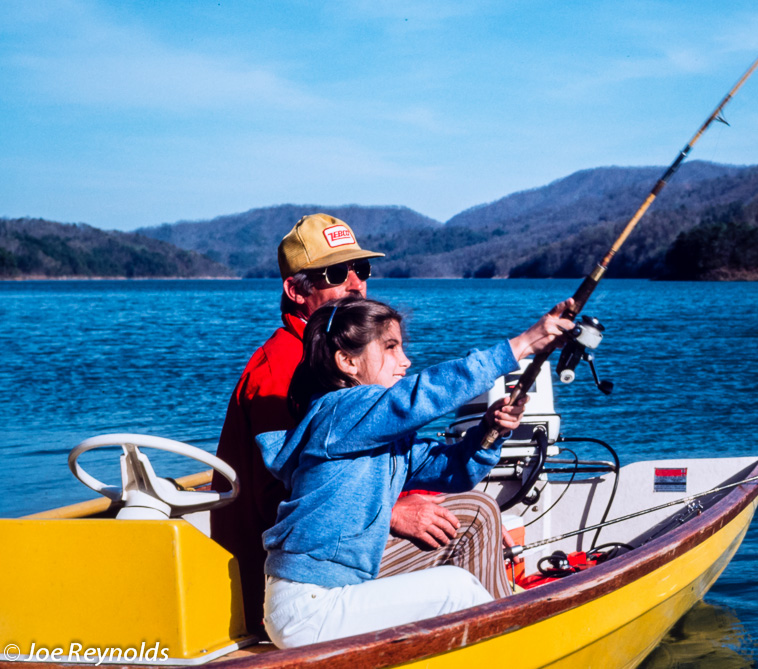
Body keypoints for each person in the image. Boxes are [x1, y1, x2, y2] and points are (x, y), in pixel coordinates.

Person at [210, 213, 511, 634]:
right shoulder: (280, 372)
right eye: (336, 273)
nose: (356, 284)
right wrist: (392, 513)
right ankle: (511, 637)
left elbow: (356, 464)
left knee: (456, 508)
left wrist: (489, 434)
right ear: (296, 289)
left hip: (317, 555)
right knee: (473, 519)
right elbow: (291, 486)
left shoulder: (326, 363)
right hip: (281, 577)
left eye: (361, 269)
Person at [258, 296, 574, 647]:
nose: (405, 361)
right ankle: (526, 651)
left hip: (338, 593)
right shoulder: (338, 412)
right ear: (347, 361)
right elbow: (419, 397)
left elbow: (453, 470)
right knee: (455, 588)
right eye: (390, 347)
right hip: (308, 608)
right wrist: (524, 343)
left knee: (464, 550)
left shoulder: (375, 434)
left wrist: (490, 431)